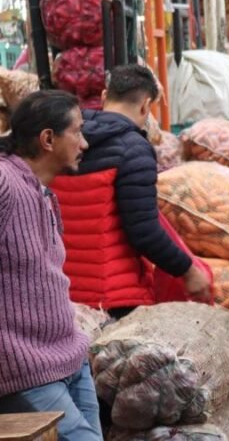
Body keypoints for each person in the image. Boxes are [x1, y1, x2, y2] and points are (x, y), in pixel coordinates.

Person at [49, 65, 211, 319]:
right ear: (146, 106)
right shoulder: (133, 148)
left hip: (61, 291)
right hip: (113, 296)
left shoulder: (63, 139)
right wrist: (188, 271)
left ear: (104, 97)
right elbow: (144, 231)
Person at [0, 90, 102, 440]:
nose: (84, 143)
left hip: (69, 358)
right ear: (47, 139)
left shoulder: (40, 192)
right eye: (77, 131)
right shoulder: (5, 183)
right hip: (24, 369)